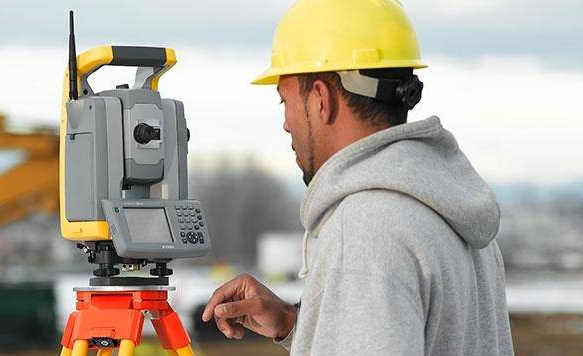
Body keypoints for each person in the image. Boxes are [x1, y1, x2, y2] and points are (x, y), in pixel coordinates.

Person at [201, 0, 514, 354]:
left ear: (321, 98)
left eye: (284, 101)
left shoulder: (366, 228)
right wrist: (295, 324)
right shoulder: (450, 209)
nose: (286, 122)